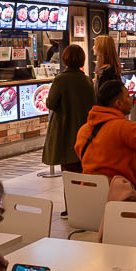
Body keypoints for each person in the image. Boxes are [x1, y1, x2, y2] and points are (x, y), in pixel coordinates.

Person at [75, 80, 136, 197]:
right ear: (118, 104)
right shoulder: (125, 128)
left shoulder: (83, 130)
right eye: (128, 96)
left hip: (89, 196)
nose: (131, 99)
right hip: (120, 199)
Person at [43, 45, 96, 174]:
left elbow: (51, 103)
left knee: (69, 175)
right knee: (84, 174)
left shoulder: (61, 80)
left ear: (65, 59)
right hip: (85, 134)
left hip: (64, 133)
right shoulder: (87, 80)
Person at [93, 35, 121, 99]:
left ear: (101, 48)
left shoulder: (106, 72)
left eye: (95, 45)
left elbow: (104, 97)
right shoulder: (111, 69)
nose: (93, 47)